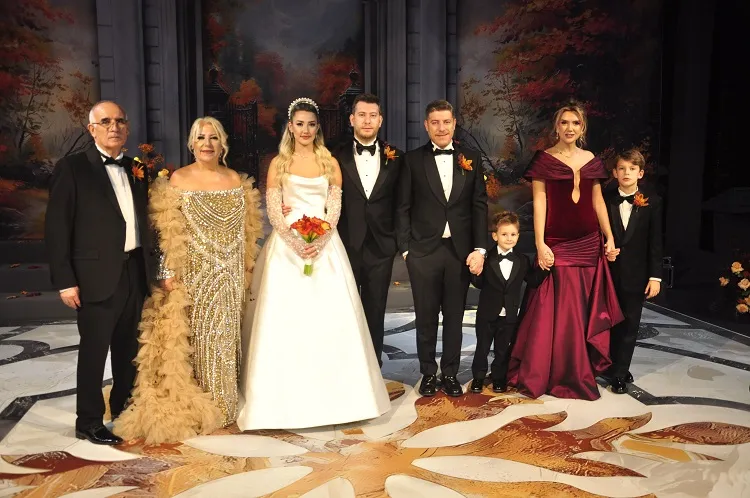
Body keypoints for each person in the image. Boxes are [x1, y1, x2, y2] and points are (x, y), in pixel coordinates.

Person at [237, 97, 390, 430]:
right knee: (287, 321)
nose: (305, 130)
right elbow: (274, 210)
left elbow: (334, 209)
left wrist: (318, 240)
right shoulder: (278, 163)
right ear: (290, 127)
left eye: (310, 124)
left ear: (317, 127)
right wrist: (295, 242)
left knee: (330, 319)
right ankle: (280, 400)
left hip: (325, 246)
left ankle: (343, 399)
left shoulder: (329, 162)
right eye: (299, 124)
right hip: (287, 249)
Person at [114, 117, 263, 444]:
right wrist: (167, 271)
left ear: (222, 144)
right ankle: (202, 405)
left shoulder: (235, 179)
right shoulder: (179, 179)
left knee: (226, 335)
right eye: (200, 138)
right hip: (192, 274)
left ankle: (225, 403)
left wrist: (246, 268)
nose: (207, 144)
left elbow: (247, 230)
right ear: (191, 144)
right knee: (196, 336)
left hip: (230, 273)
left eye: (213, 138)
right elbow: (164, 230)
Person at [45, 101, 155, 445]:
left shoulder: (137, 168)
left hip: (135, 270)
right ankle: (89, 420)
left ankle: (123, 409)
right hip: (94, 275)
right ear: (91, 129)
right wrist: (65, 281)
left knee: (128, 350)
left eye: (120, 121)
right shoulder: (72, 168)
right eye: (105, 121)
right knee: (94, 352)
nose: (114, 127)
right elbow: (57, 227)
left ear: (128, 127)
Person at [507, 103, 623, 401]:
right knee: (557, 311)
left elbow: (597, 202)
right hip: (557, 242)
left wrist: (609, 236)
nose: (569, 128)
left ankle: (577, 371)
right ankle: (552, 373)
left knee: (581, 310)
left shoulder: (591, 160)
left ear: (582, 128)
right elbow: (540, 202)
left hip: (588, 242)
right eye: (564, 122)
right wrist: (540, 243)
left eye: (575, 123)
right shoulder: (544, 160)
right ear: (556, 127)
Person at [395, 99, 489, 398]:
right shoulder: (412, 160)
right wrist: (406, 249)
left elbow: (479, 206)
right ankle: (427, 373)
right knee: (425, 317)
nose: (441, 128)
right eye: (435, 122)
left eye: (446, 122)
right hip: (423, 252)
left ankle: (449, 373)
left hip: (459, 252)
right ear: (426, 125)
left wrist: (480, 249)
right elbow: (402, 207)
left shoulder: (471, 158)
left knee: (454, 316)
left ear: (454, 123)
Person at [332, 93, 403, 366]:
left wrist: (396, 241)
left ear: (380, 120)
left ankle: (373, 367)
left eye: (373, 115)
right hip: (345, 244)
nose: (367, 120)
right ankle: (346, 364)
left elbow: (402, 204)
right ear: (352, 119)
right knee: (344, 308)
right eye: (361, 115)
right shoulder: (334, 156)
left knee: (375, 309)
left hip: (381, 246)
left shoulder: (397, 157)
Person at [469, 211, 548, 394]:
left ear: (518, 236)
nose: (509, 238)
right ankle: (478, 378)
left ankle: (499, 378)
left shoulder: (522, 260)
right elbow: (479, 284)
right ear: (495, 236)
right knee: (482, 348)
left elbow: (533, 281)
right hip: (487, 314)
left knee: (503, 350)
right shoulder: (486, 258)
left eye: (513, 234)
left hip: (510, 316)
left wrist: (545, 268)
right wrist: (474, 272)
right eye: (504, 234)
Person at [605, 149, 663, 394]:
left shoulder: (652, 202)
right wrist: (604, 250)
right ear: (614, 172)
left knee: (630, 324)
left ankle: (619, 373)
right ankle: (611, 365)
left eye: (631, 169)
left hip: (636, 275)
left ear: (640, 173)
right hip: (607, 274)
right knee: (608, 322)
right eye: (622, 168)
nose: (626, 173)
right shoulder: (605, 199)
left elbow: (655, 241)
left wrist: (655, 276)